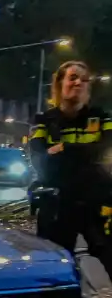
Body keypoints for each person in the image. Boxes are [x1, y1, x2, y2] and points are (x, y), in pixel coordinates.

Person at [28, 60, 112, 272]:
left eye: (84, 80)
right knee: (52, 270)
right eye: (72, 77)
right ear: (59, 84)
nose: (78, 83)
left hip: (98, 204)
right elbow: (40, 162)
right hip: (56, 207)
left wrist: (62, 149)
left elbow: (106, 153)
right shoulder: (43, 120)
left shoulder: (103, 118)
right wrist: (88, 155)